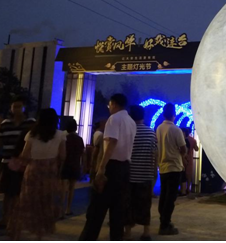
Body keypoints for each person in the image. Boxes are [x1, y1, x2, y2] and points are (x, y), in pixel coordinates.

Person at [79, 93, 136, 241]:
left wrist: (101, 168)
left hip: (111, 167)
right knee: (118, 210)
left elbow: (111, 143)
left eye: (109, 105)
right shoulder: (131, 122)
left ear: (114, 104)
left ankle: (88, 238)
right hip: (125, 168)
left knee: (97, 208)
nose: (109, 108)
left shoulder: (114, 119)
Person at [9, 108, 66, 240]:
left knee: (29, 200)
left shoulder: (32, 134)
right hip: (50, 170)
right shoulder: (60, 135)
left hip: (33, 169)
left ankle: (21, 229)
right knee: (46, 200)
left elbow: (25, 154)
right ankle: (42, 231)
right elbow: (63, 155)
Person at [0, 98, 36, 230]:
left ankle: (18, 219)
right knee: (7, 192)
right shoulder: (5, 124)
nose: (17, 109)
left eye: (19, 106)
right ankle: (5, 219)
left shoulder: (31, 123)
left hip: (24, 164)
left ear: (24, 108)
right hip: (8, 162)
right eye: (14, 106)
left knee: (21, 192)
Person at [124, 105, 158, 241]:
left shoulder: (128, 132)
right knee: (145, 204)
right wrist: (154, 170)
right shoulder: (151, 133)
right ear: (143, 116)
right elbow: (154, 153)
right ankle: (146, 232)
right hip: (145, 174)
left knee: (128, 204)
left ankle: (127, 232)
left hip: (129, 175)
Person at [156, 103, 187, 235]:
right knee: (170, 197)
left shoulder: (159, 128)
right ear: (174, 115)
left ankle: (163, 220)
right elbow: (183, 148)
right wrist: (182, 155)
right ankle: (165, 224)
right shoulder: (176, 130)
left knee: (164, 195)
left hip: (163, 167)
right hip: (174, 166)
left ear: (163, 114)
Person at [61, 118, 85, 217]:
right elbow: (82, 153)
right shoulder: (79, 139)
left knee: (63, 188)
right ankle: (68, 209)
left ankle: (61, 209)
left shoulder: (64, 139)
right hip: (75, 165)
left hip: (65, 164)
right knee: (71, 188)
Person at [182, 127, 199, 194]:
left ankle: (182, 189)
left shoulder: (182, 139)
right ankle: (188, 188)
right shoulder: (193, 140)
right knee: (189, 174)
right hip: (190, 158)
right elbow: (196, 149)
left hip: (182, 158)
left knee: (182, 174)